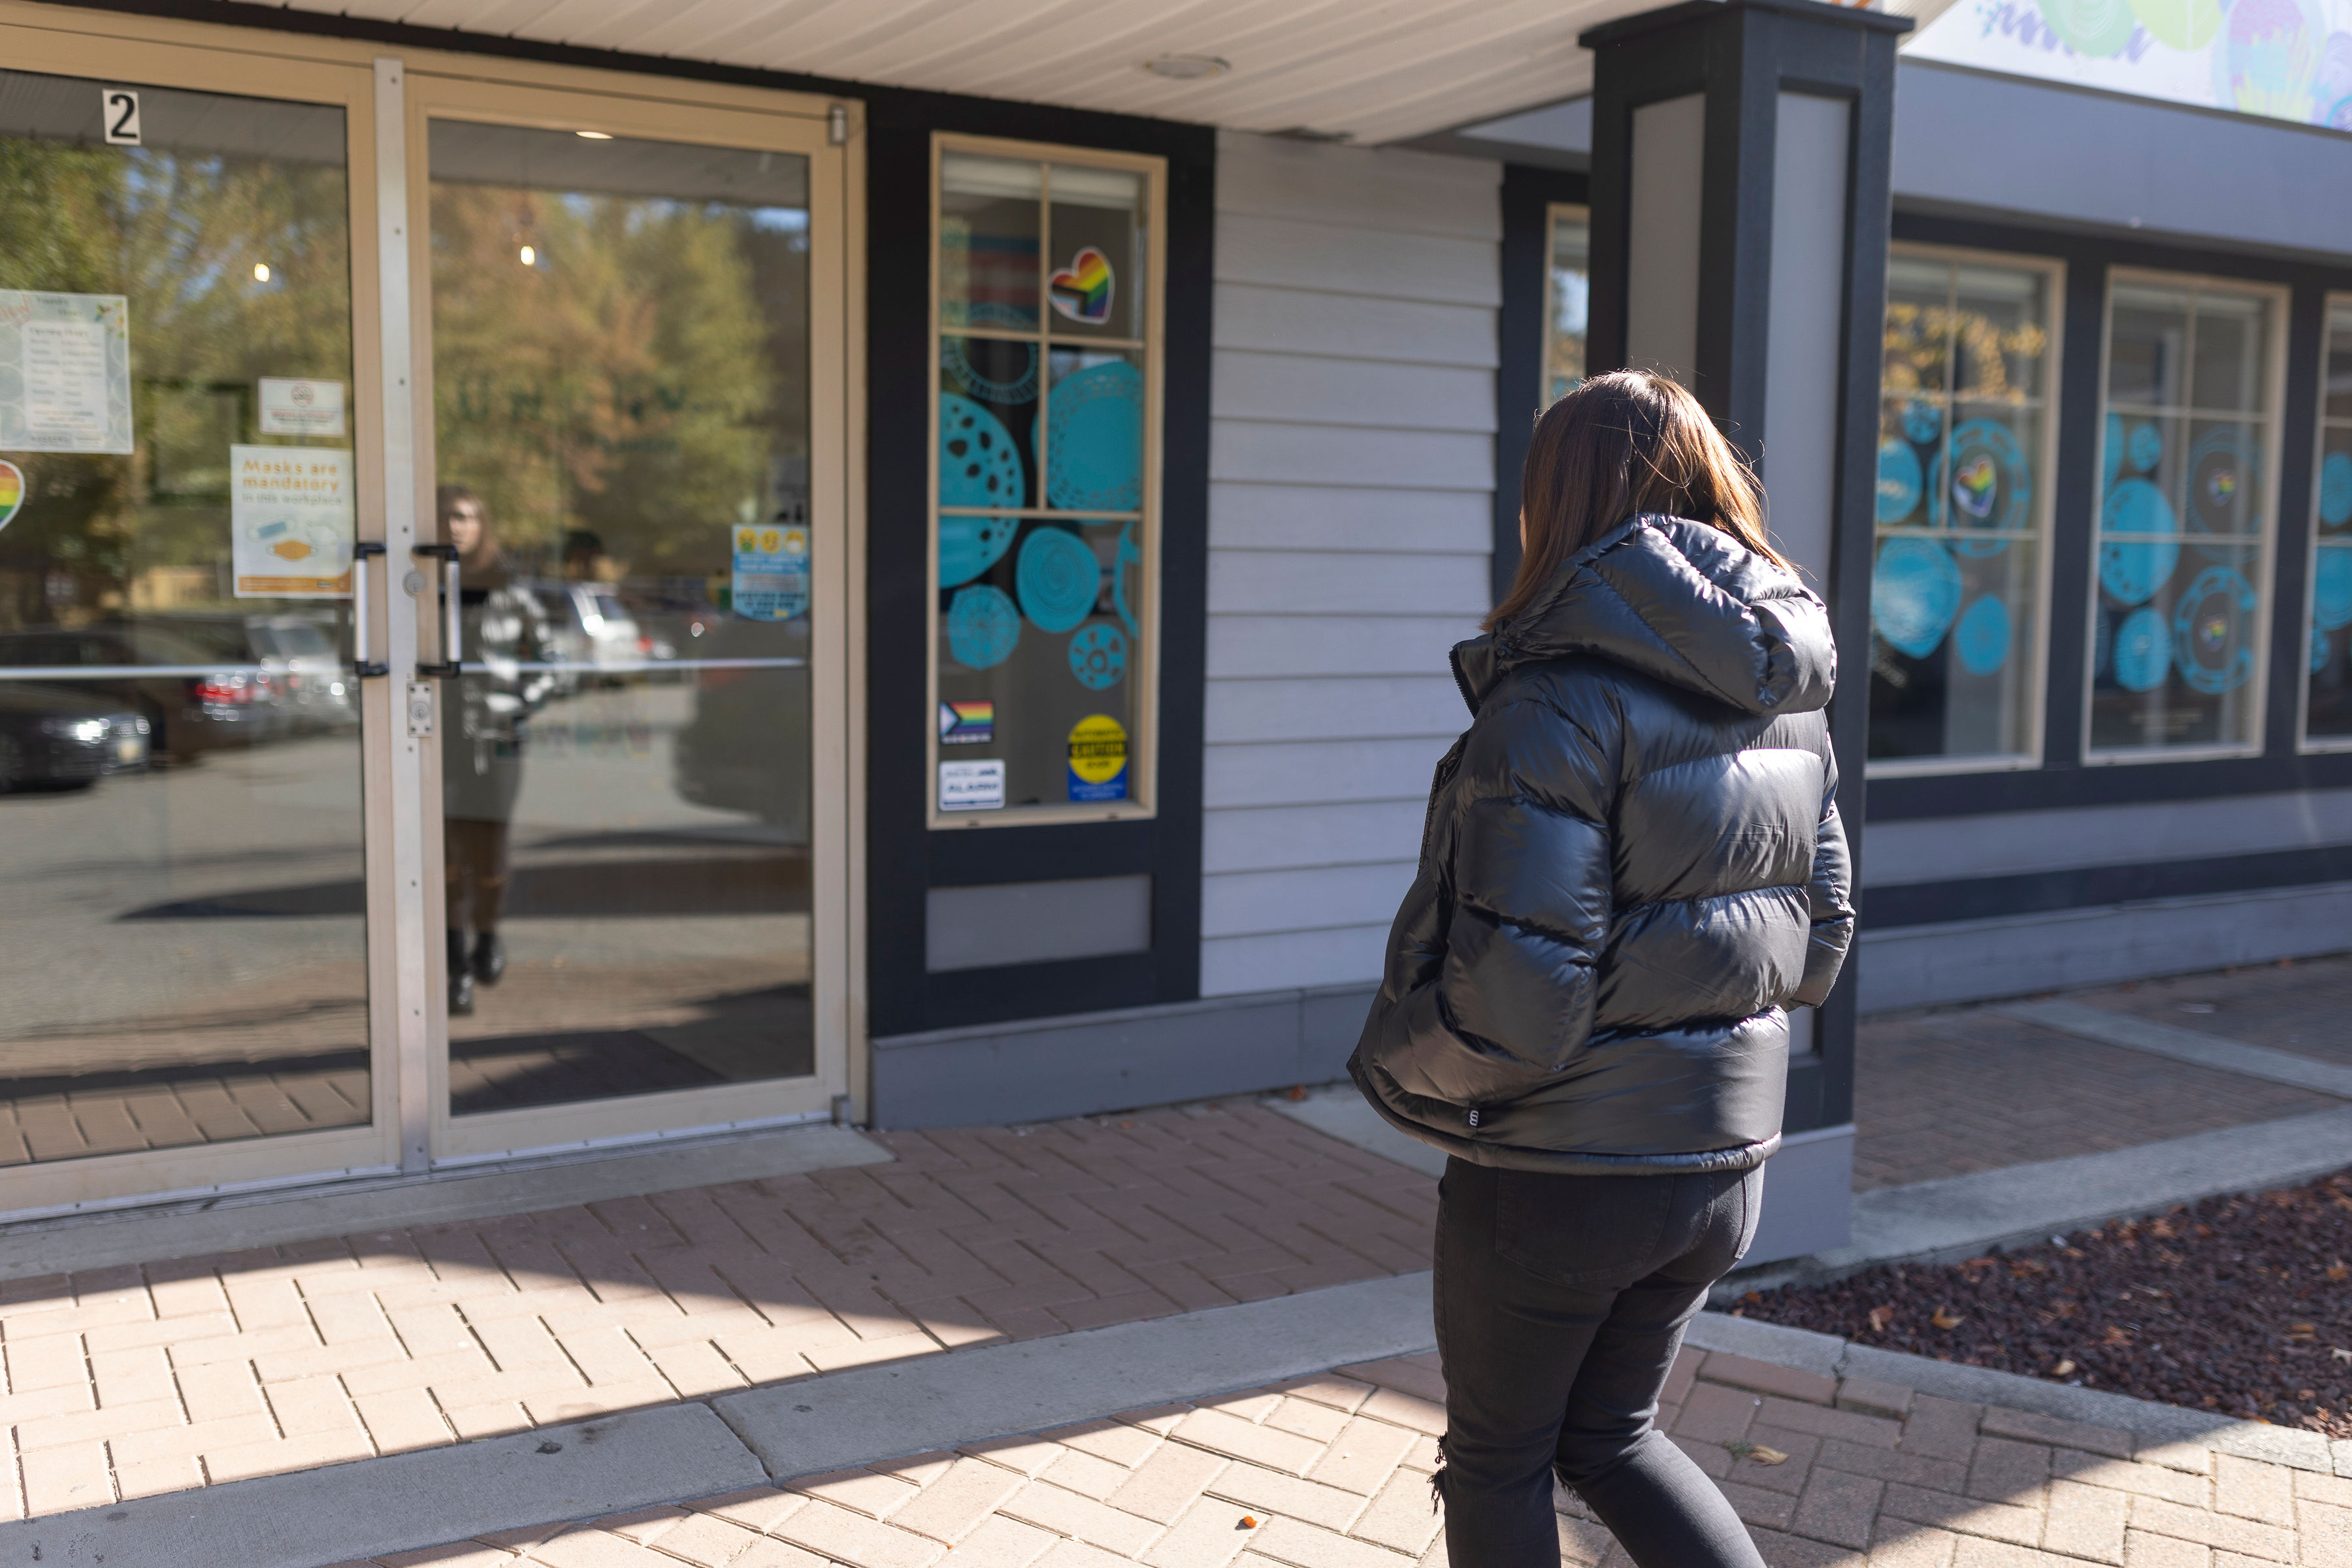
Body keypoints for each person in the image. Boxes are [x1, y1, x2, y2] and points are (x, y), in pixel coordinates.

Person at [1350, 370, 1854, 1568]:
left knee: (1500, 1460)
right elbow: (1823, 937)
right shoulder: (1789, 694)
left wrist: (1391, 1063)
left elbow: (1513, 1004)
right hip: (1725, 1165)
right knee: (1612, 1440)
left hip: (1563, 1175)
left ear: (1556, 502)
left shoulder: (1554, 697)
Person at [438, 485, 554, 1016]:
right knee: (444, 855)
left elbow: (551, 663)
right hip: (436, 741)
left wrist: (516, 706)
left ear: (482, 526)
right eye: (447, 516)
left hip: (498, 741)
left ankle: (487, 934)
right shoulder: (420, 588)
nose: (456, 526)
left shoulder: (512, 592)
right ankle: (454, 966)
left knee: (490, 850)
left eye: (466, 517)